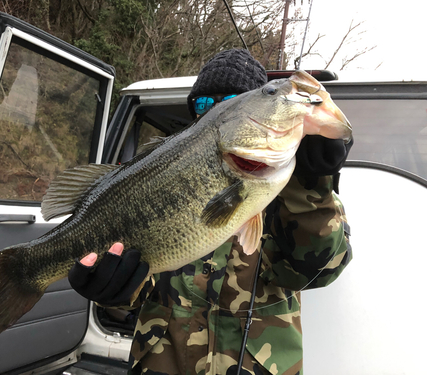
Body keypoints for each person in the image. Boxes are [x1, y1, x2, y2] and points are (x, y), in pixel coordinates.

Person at [68, 49, 353, 375]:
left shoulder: (294, 190)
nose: (216, 109)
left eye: (230, 98)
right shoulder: (167, 179)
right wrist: (108, 290)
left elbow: (319, 270)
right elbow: (138, 290)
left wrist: (312, 186)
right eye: (203, 104)